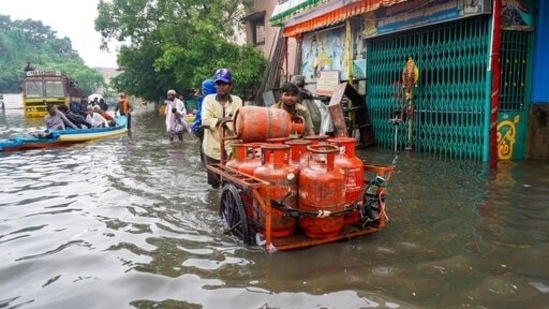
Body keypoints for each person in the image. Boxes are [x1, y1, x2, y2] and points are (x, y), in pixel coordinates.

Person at [202, 68, 243, 189]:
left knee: (232, 182)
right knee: (214, 184)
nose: (221, 87)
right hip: (212, 147)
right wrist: (225, 119)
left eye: (224, 83)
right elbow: (206, 121)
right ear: (215, 85)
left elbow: (237, 123)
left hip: (231, 148)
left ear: (230, 85)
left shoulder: (237, 100)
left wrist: (217, 120)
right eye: (218, 84)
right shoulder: (208, 100)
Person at [192, 79, 216, 163]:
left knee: (204, 145)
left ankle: (204, 162)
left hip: (201, 126)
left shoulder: (206, 99)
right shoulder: (214, 99)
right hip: (205, 126)